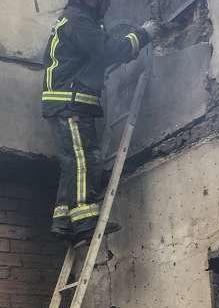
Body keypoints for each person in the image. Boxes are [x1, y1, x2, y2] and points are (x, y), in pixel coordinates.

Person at [42, 0, 160, 241]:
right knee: (85, 160)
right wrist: (143, 34)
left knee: (72, 164)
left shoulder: (73, 19)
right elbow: (108, 51)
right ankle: (85, 220)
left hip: (65, 103)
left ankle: (63, 219)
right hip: (71, 104)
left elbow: (99, 54)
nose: (107, 7)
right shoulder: (80, 21)